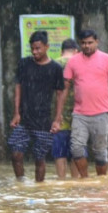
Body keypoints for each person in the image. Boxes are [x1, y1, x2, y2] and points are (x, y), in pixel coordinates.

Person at [62, 29, 108, 177]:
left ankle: (101, 181)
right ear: (80, 44)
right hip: (79, 114)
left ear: (97, 42)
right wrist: (58, 115)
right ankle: (85, 179)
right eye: (83, 43)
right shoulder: (73, 61)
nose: (87, 46)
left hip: (101, 113)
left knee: (100, 153)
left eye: (90, 43)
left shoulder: (107, 59)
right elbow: (64, 88)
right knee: (76, 149)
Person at [8, 30, 65, 182]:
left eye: (38, 48)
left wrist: (57, 119)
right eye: (32, 48)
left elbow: (60, 94)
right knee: (16, 153)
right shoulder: (24, 63)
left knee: (40, 159)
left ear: (47, 47)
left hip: (44, 120)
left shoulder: (56, 68)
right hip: (24, 118)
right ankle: (20, 182)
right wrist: (16, 113)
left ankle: (39, 188)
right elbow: (18, 87)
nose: (35, 52)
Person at [54, 38, 80, 179]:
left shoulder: (54, 64)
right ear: (76, 51)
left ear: (61, 51)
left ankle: (61, 181)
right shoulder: (78, 64)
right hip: (79, 113)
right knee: (76, 150)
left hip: (58, 114)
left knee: (60, 151)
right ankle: (75, 181)